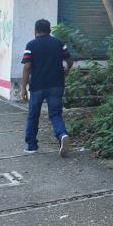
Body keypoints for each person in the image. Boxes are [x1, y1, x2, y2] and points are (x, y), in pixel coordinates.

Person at [20, 19, 73, 157]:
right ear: (49, 30)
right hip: (56, 85)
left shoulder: (31, 45)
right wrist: (65, 72)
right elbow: (70, 61)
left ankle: (31, 146)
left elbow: (27, 67)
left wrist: (23, 87)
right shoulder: (59, 43)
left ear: (36, 31)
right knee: (55, 114)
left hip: (37, 86)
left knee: (33, 115)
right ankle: (62, 135)